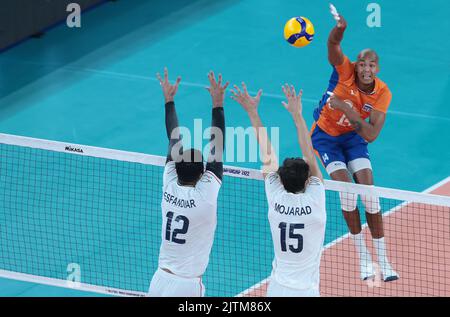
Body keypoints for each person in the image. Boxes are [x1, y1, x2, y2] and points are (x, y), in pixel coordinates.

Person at [310, 4, 398, 281]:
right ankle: (363, 259)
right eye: (362, 63)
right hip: (325, 138)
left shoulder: (383, 93)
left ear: (377, 68)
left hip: (353, 139)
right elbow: (333, 44)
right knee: (346, 191)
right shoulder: (343, 71)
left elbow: (371, 134)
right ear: (356, 66)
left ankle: (384, 262)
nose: (366, 68)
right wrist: (339, 29)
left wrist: (347, 110)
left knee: (370, 194)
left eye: (371, 64)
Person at [231, 82, 326, 297]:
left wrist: (252, 112)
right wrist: (297, 115)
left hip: (277, 289)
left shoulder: (276, 197)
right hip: (306, 292)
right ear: (307, 180)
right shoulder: (315, 199)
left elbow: (267, 154)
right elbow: (309, 153)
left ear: (281, 181)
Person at [148, 68, 228, 296]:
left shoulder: (169, 185)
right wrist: (218, 103)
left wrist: (169, 100)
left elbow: (175, 138)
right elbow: (217, 147)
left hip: (159, 280)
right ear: (202, 173)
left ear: (176, 166)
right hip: (187, 286)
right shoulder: (205, 196)